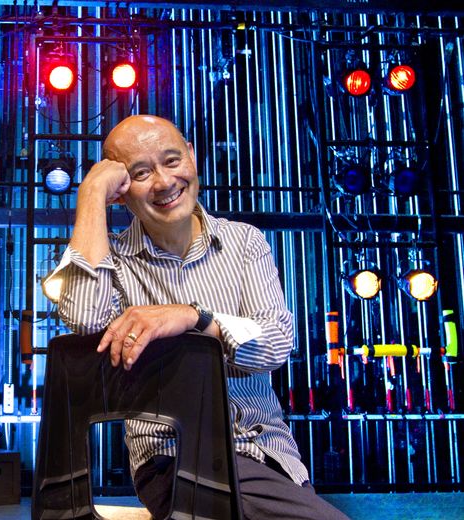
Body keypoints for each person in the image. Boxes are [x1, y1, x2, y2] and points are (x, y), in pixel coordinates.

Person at [50, 115, 348, 519]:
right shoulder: (113, 261)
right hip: (173, 458)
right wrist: (89, 196)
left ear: (191, 155)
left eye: (172, 161)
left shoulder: (244, 242)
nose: (164, 182)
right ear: (120, 192)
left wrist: (196, 318)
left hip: (269, 455)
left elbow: (276, 345)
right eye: (141, 173)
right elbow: (85, 319)